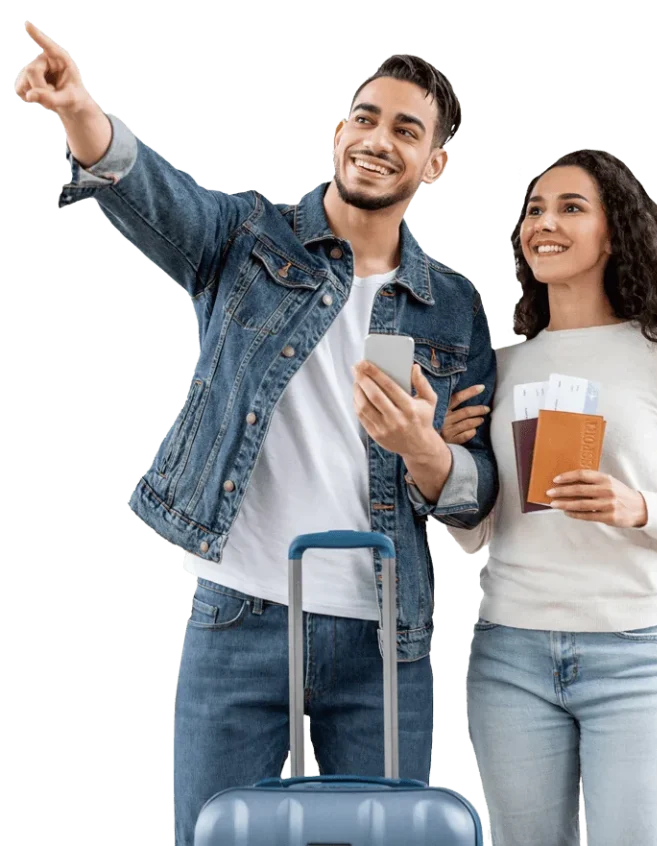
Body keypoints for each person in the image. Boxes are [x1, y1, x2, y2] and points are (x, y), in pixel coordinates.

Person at [15, 23, 499, 844]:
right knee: (212, 835)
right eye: (366, 118)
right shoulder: (247, 239)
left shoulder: (452, 306)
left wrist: (429, 452)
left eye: (407, 131)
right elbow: (152, 196)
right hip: (240, 612)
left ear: (435, 164)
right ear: (341, 131)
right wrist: (81, 112)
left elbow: (476, 490)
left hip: (386, 630)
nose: (379, 140)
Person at [439, 149, 657, 845]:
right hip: (510, 654)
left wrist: (635, 506)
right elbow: (482, 532)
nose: (544, 223)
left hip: (633, 658)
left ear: (617, 233)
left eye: (571, 208)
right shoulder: (505, 366)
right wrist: (451, 468)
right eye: (535, 210)